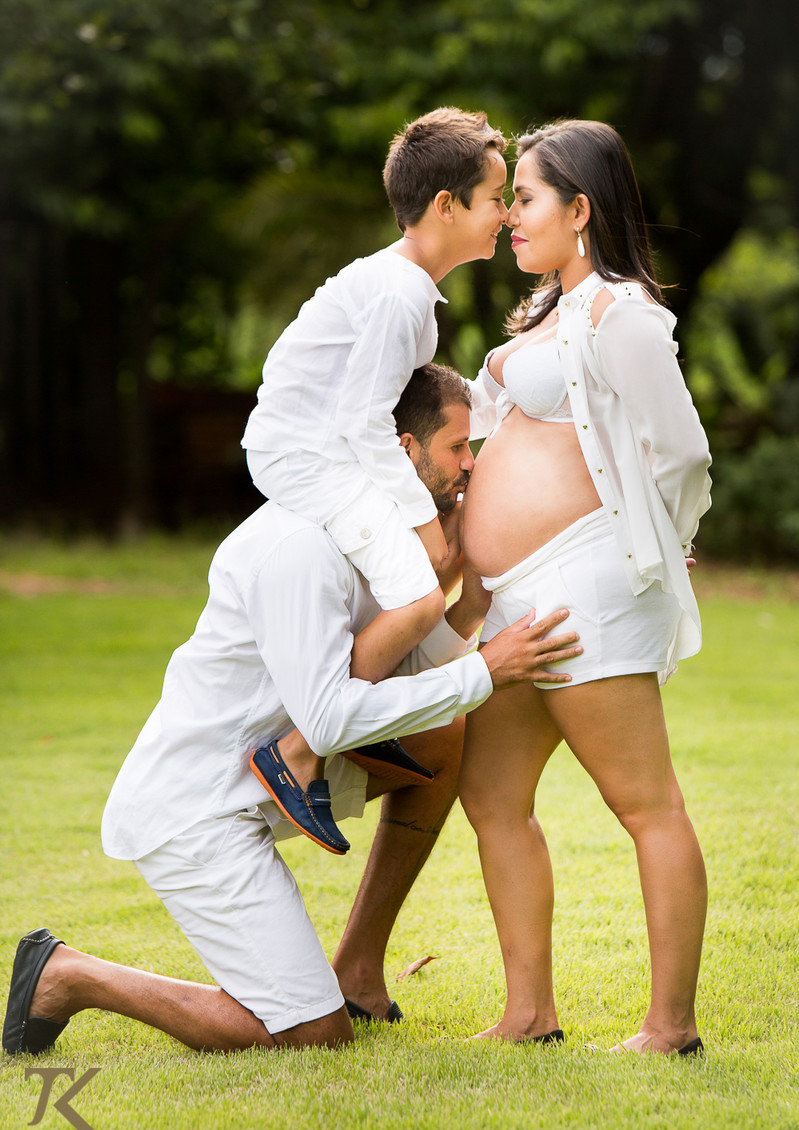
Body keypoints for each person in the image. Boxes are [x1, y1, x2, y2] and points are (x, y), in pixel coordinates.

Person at [3, 365, 583, 1058]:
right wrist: (485, 670)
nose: (470, 466)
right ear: (403, 451)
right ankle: (69, 976)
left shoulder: (376, 533)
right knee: (311, 1034)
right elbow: (333, 718)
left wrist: (469, 611)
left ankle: (359, 971)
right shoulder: (299, 545)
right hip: (200, 809)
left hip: (275, 773)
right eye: (458, 448)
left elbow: (395, 677)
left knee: (438, 741)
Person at [458, 120, 712, 1055]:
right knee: (491, 796)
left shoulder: (619, 312)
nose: (510, 214)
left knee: (645, 805)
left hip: (585, 589)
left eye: (523, 197)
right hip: (518, 595)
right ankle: (528, 1013)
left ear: (580, 208)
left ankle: (669, 1027)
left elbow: (680, 450)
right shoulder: (551, 311)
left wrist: (660, 536)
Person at [240, 108, 510, 853]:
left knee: (419, 580)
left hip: (329, 449)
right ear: (446, 207)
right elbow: (365, 422)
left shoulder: (409, 291)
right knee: (424, 586)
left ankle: (350, 725)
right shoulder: (397, 294)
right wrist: (422, 525)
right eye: (496, 197)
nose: (506, 213)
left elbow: (411, 407)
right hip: (307, 456)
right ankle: (298, 752)